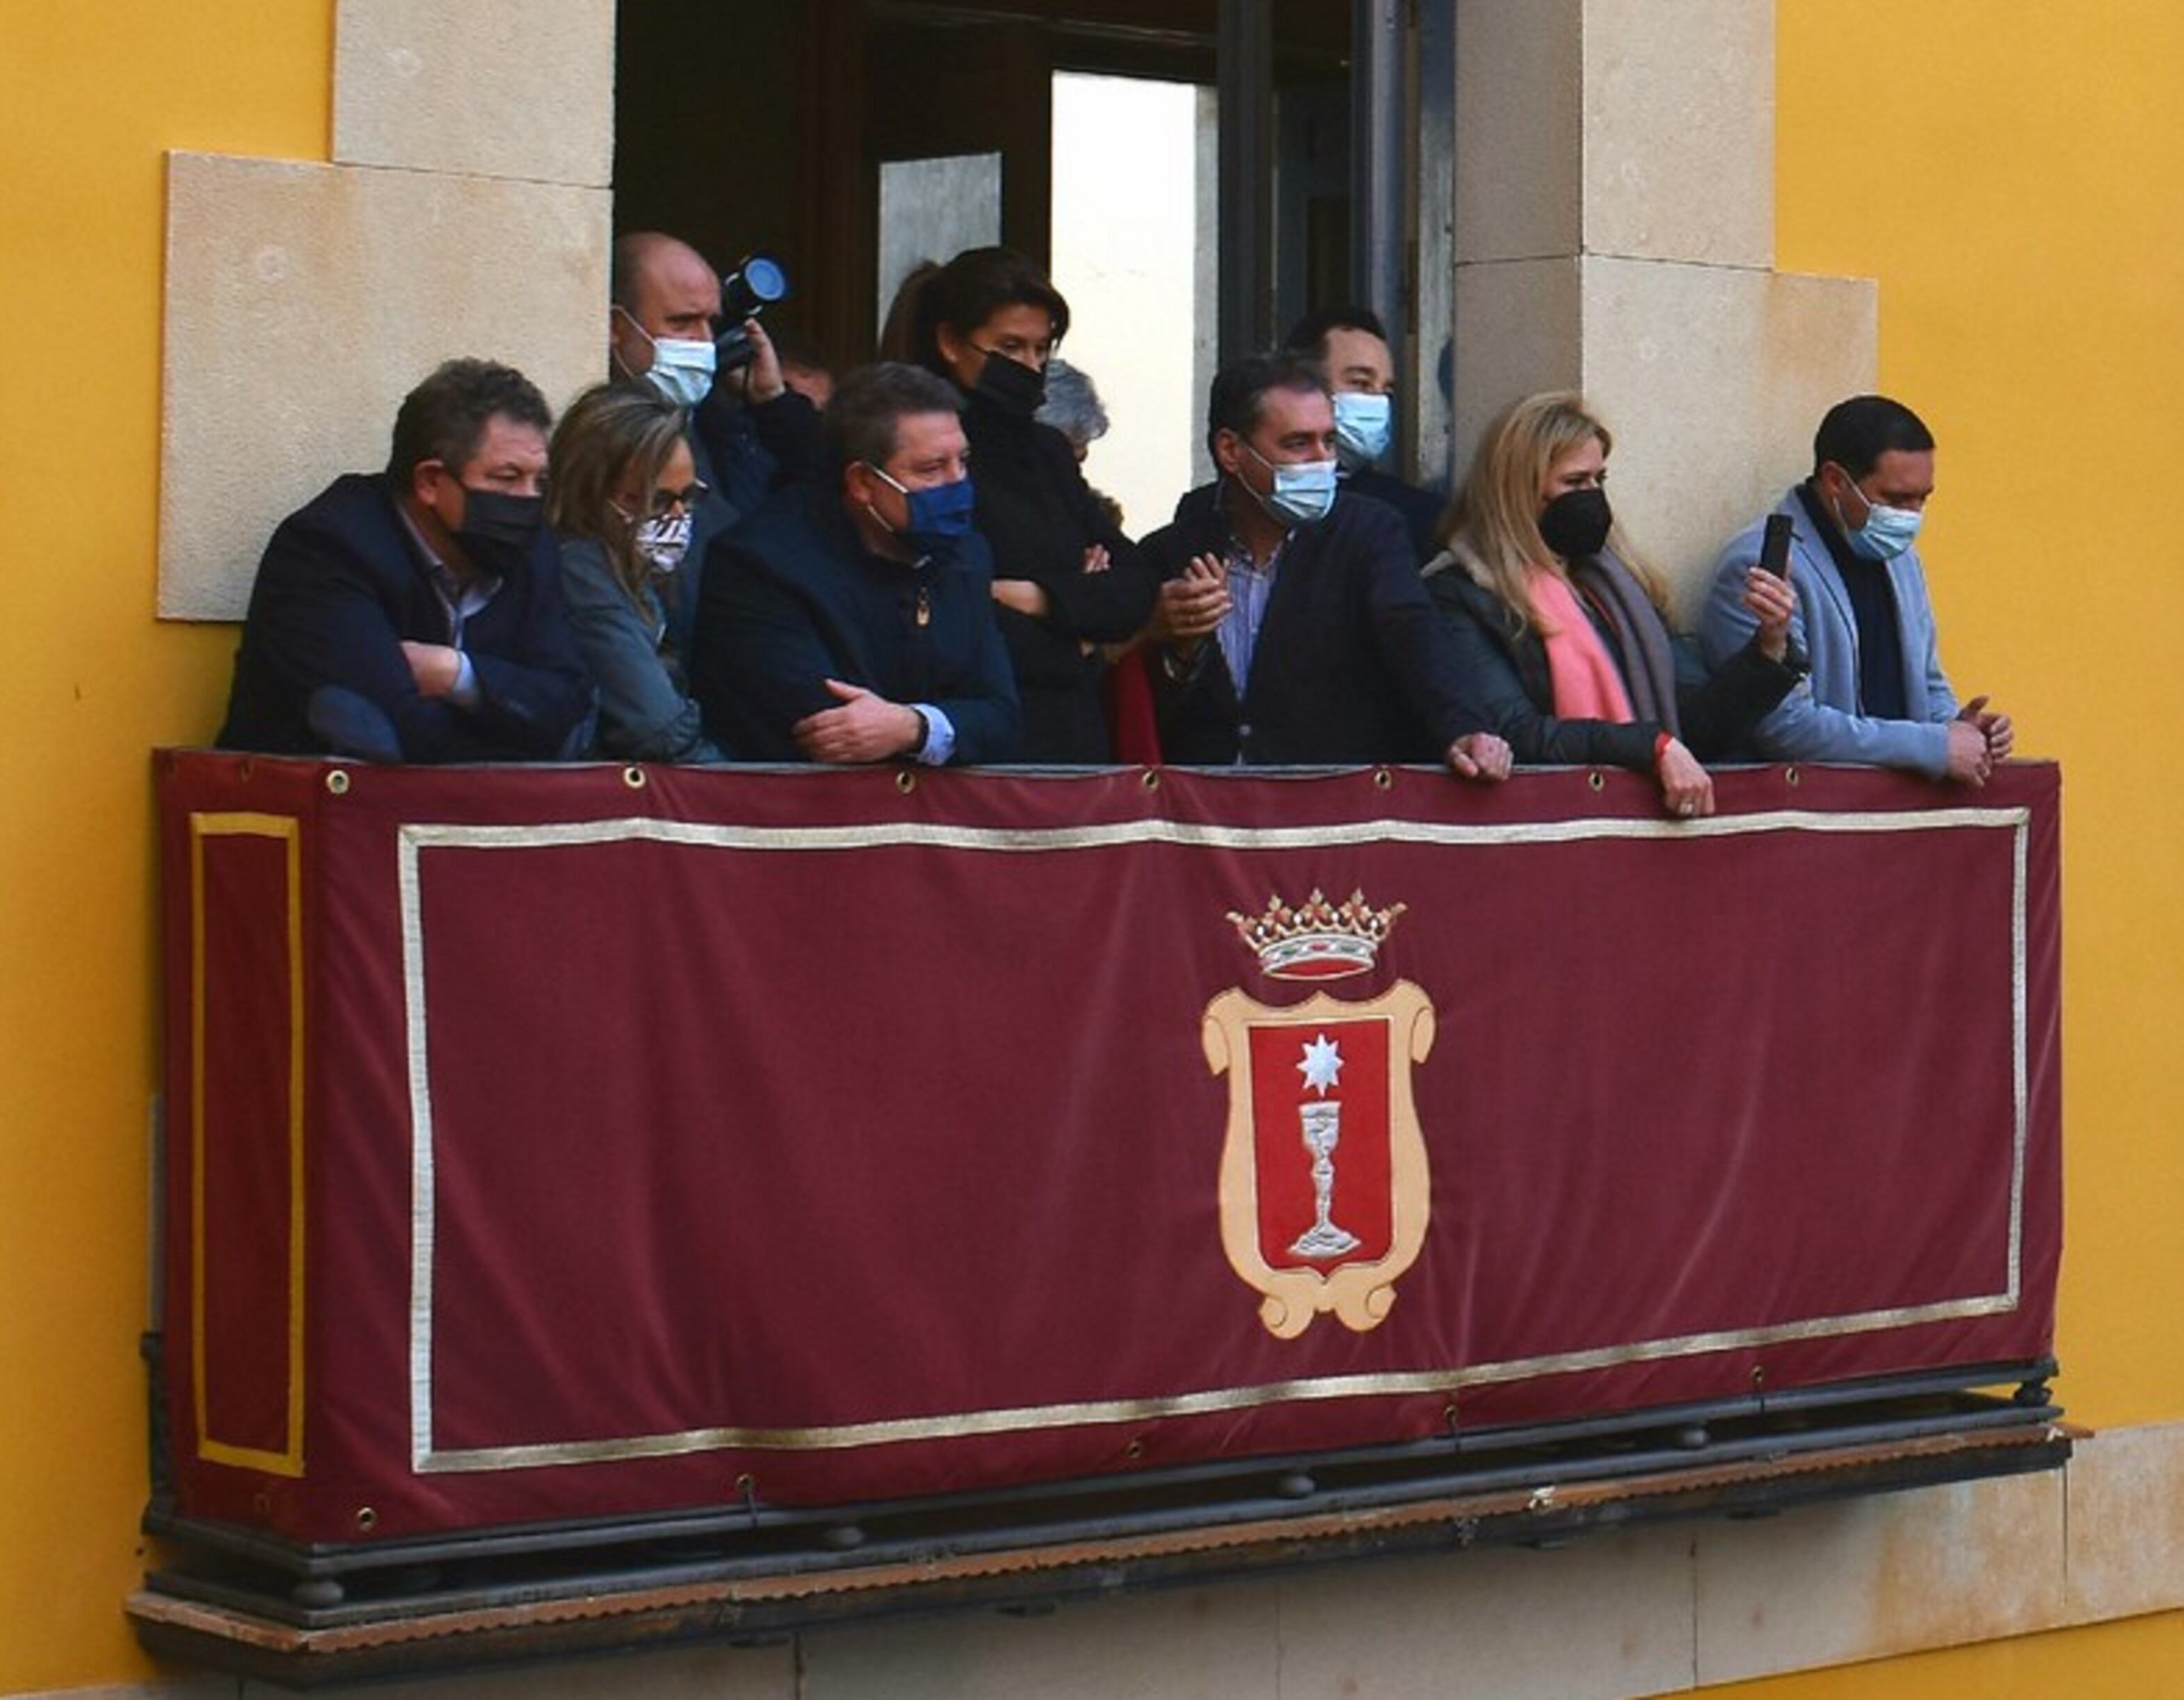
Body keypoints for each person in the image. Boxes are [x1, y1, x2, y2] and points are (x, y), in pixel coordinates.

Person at [1425, 392, 1804, 818]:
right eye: (1573, 482)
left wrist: (1768, 647)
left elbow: (1695, 725)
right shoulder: (1461, 594)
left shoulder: (1618, 590)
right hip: (1543, 833)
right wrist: (1648, 747)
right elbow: (1517, 734)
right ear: (1518, 491)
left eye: (1599, 481)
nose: (1591, 497)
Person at [1138, 352, 1509, 779]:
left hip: (1327, 810)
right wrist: (1178, 647)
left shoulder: (1368, 533)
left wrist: (1463, 730)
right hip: (1203, 815)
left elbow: (1416, 637)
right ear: (1231, 451)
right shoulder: (1173, 550)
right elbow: (1146, 702)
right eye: (1298, 443)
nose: (1321, 461)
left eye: (1329, 442)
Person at [217, 359, 592, 762]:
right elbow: (386, 729)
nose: (528, 500)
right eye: (506, 477)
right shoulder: (328, 549)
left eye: (540, 482)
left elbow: (571, 706)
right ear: (430, 481)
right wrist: (512, 721)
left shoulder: (533, 552)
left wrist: (456, 675)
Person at [897, 248, 1157, 762]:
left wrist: (1041, 598)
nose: (1030, 367)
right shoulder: (919, 453)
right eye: (1011, 347)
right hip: (975, 747)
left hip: (1073, 741)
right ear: (951, 342)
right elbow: (945, 618)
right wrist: (1080, 637)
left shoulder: (1048, 452)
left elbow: (1135, 585)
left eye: (1042, 349)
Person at [690, 363, 1020, 766]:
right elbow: (828, 730)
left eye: (962, 462)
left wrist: (914, 727)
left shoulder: (965, 555)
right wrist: (936, 725)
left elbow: (1002, 718)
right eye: (931, 469)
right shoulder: (763, 563)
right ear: (862, 482)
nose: (957, 483)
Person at [1701, 395, 2010, 784]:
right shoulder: (1759, 565)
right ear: (1835, 480)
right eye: (1896, 499)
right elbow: (1785, 727)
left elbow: (1926, 680)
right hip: (1809, 819)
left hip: (1897, 813)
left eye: (1923, 499)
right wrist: (1932, 746)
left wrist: (1959, 728)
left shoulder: (1901, 560)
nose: (1911, 516)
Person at [607, 231, 826, 644]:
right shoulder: (593, 445)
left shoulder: (716, 426)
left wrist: (773, 405)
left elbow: (807, 510)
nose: (704, 343)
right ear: (617, 326)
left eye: (711, 322)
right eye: (682, 323)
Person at [547, 385, 723, 762]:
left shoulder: (639, 573)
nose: (677, 516)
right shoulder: (581, 571)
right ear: (592, 493)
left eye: (688, 496)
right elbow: (657, 729)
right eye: (655, 500)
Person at [1283, 305, 1443, 563]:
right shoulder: (1257, 498)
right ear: (1303, 385)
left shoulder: (1418, 518)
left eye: (1386, 391)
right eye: (1360, 383)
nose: (1377, 402)